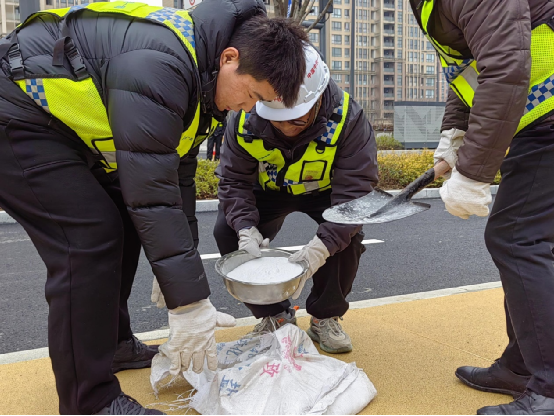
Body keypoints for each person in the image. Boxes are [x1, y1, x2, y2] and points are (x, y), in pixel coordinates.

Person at [0, 0, 308, 414]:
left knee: (123, 221)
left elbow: (176, 180)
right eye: (252, 95)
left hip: (59, 129)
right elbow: (150, 189)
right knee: (88, 237)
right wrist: (189, 305)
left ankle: (112, 345)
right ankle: (90, 402)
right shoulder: (162, 65)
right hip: (14, 110)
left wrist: (179, 276)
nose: (249, 108)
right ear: (229, 59)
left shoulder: (203, 84)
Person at [408, 0, 554, 414]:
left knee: (517, 239)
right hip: (539, 122)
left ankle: (548, 388)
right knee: (526, 240)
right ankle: (521, 367)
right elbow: (469, 68)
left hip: (548, 122)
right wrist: (455, 133)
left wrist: (473, 173)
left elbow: (506, 68)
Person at [213, 45, 378, 354]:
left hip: (325, 191)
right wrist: (245, 228)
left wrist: (321, 249)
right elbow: (233, 180)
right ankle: (275, 316)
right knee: (227, 231)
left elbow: (356, 194)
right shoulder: (245, 117)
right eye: (276, 121)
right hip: (269, 190)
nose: (285, 129)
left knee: (345, 240)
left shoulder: (348, 119)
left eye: (295, 120)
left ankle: (325, 317)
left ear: (317, 101)